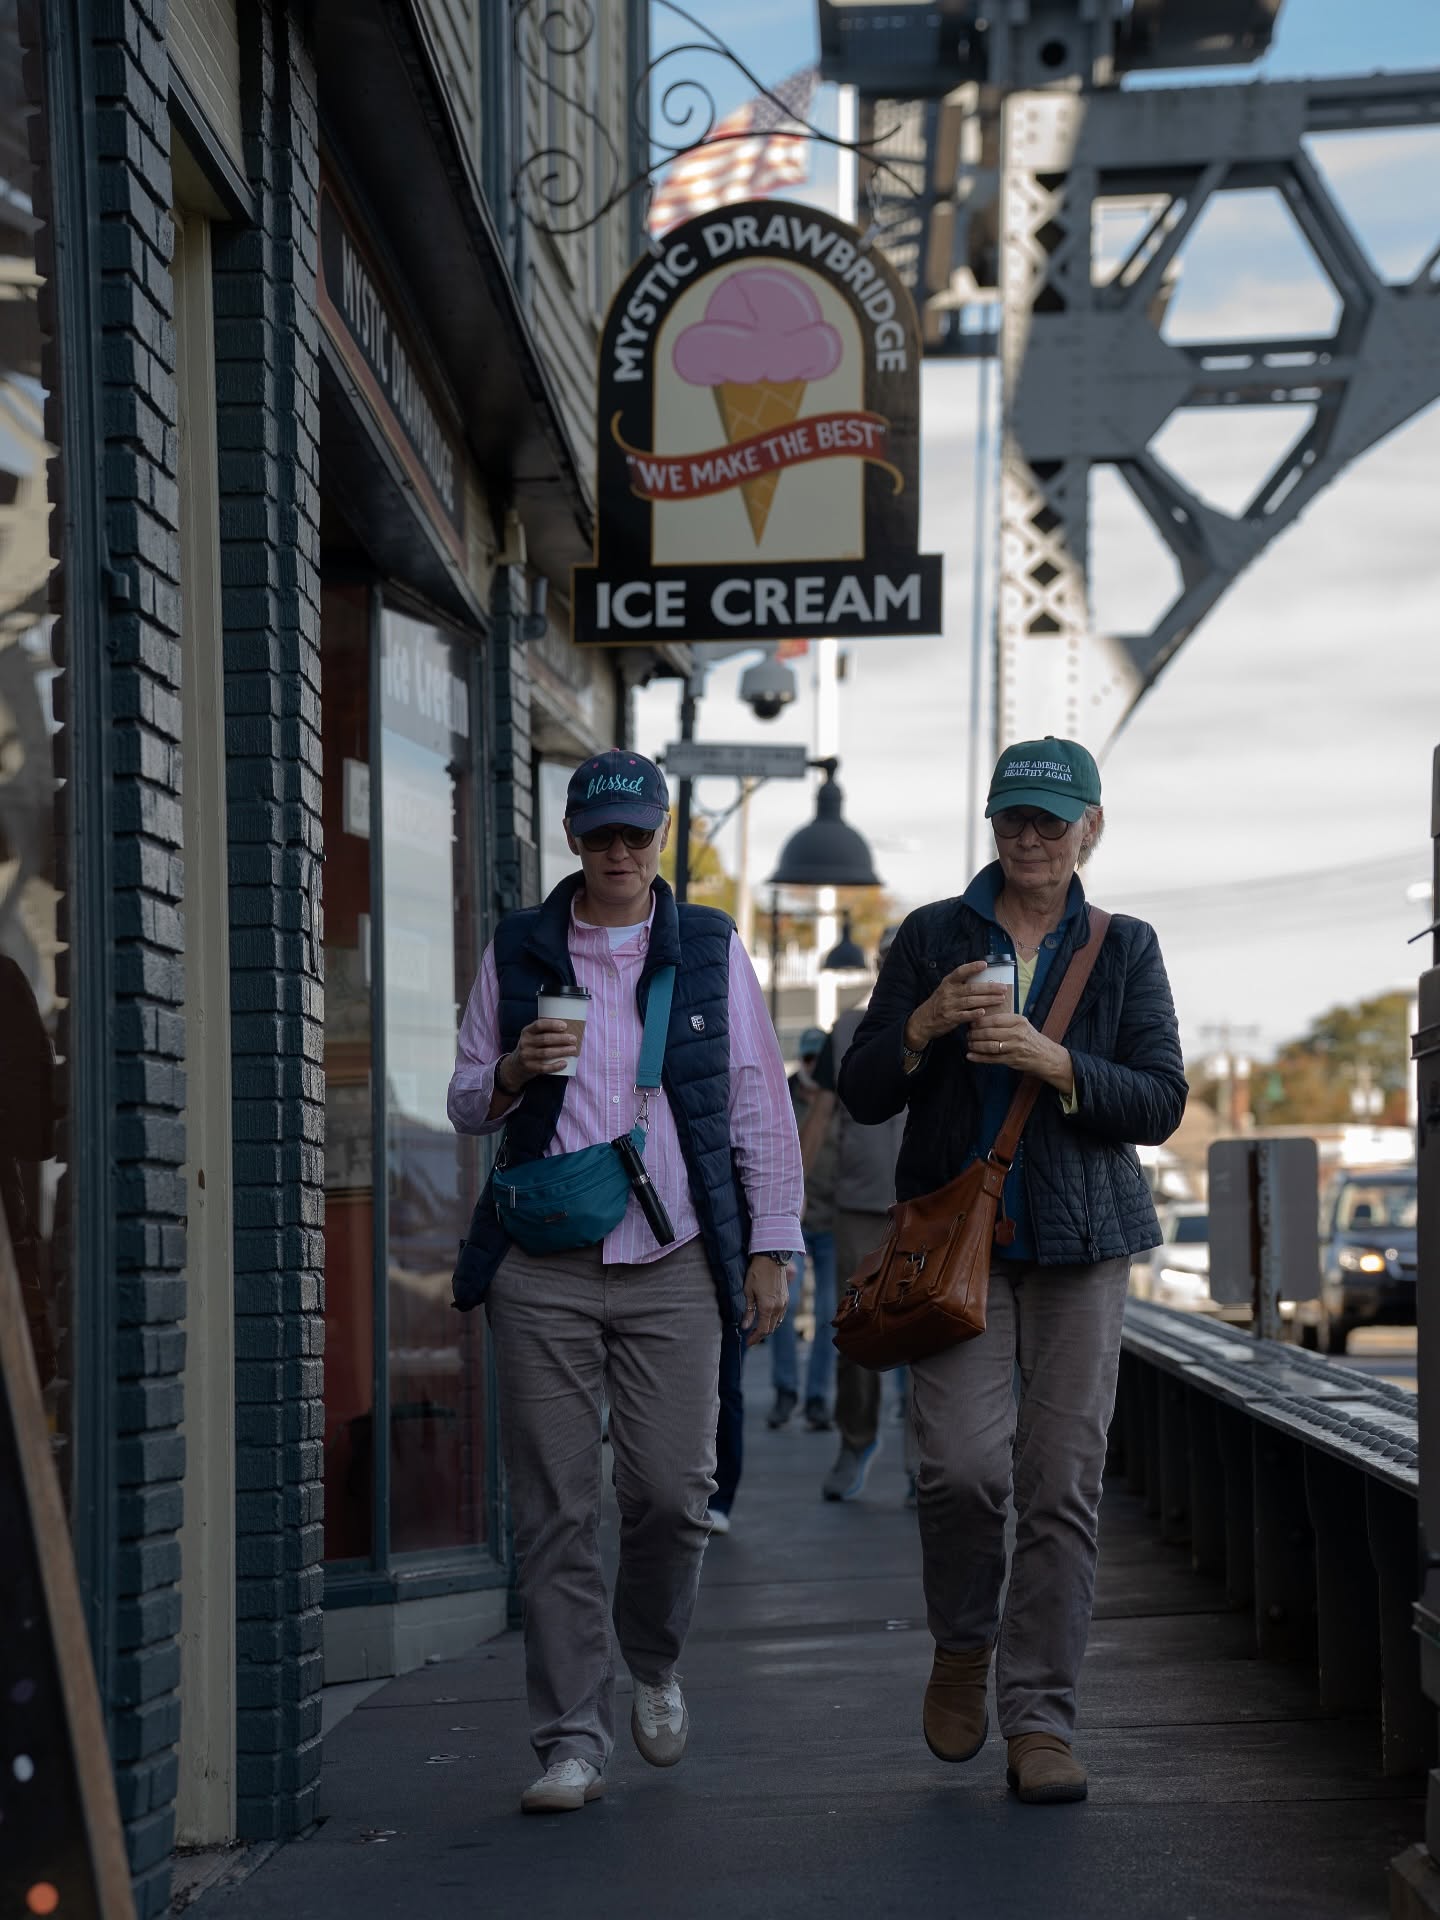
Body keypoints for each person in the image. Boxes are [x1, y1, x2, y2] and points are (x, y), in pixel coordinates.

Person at [447, 750, 802, 1816]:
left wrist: (772, 1244)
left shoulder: (706, 949)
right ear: (572, 837)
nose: (617, 853)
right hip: (543, 1267)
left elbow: (755, 1101)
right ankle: (570, 1740)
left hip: (674, 1259)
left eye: (635, 836)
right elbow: (466, 1098)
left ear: (660, 840)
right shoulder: (519, 949)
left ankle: (653, 1659)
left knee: (668, 1496)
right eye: (600, 836)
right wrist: (513, 1071)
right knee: (556, 1510)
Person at [837, 737, 1186, 1806]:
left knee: (1062, 1485)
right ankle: (961, 1643)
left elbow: (1162, 1101)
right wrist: (924, 1026)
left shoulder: (1123, 947)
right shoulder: (932, 935)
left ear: (1091, 828)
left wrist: (1059, 1065)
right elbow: (859, 1090)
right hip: (954, 1247)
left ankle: (1039, 1718)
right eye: (1012, 820)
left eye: (1050, 820)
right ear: (991, 826)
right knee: (959, 1472)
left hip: (1084, 1247)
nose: (1029, 839)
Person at [798, 928, 909, 1501]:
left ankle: (925, 1460)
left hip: (933, 1206)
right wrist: (789, 1189)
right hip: (858, 1206)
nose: (897, 965)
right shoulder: (847, 1027)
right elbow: (819, 1112)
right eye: (888, 957)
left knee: (935, 1334)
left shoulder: (959, 1021)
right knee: (856, 1332)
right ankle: (855, 1441)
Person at [766, 1027, 839, 1432]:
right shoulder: (781, 1096)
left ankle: (816, 1398)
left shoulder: (841, 1101)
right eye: (809, 1060)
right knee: (784, 1308)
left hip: (831, 1219)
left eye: (820, 1061)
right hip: (790, 1220)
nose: (814, 1068)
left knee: (830, 1314)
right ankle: (785, 1391)